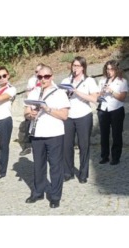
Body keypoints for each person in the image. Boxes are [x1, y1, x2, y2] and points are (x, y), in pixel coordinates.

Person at [24, 65, 70, 208]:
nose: (43, 79)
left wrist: (47, 109)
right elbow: (26, 110)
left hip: (54, 134)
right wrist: (29, 114)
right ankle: (38, 192)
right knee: (38, 165)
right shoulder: (34, 92)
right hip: (37, 133)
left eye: (46, 76)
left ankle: (55, 196)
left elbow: (64, 115)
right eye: (40, 77)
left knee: (56, 166)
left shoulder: (59, 93)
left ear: (52, 76)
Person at [60, 56, 99, 184]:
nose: (75, 68)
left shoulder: (89, 81)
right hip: (69, 116)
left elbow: (94, 98)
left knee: (84, 145)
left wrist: (76, 91)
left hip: (83, 115)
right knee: (67, 145)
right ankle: (68, 172)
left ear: (83, 67)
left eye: (77, 66)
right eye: (73, 65)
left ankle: (83, 173)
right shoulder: (66, 80)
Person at [97, 60, 128, 165]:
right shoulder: (102, 80)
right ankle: (104, 156)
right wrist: (101, 93)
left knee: (116, 134)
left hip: (117, 110)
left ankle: (115, 157)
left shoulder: (122, 81)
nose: (109, 71)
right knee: (104, 135)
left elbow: (122, 98)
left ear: (116, 69)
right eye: (107, 69)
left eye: (111, 69)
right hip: (103, 110)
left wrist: (111, 91)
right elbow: (97, 96)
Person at [20, 63, 45, 156]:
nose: (37, 73)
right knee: (27, 123)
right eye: (36, 71)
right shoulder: (32, 80)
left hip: (42, 106)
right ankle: (27, 146)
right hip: (32, 104)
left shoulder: (45, 79)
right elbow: (27, 91)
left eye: (39, 71)